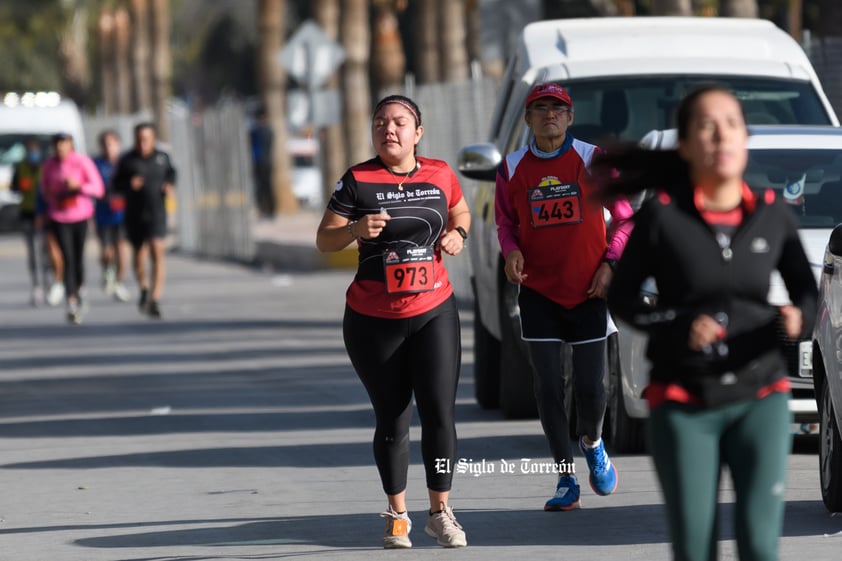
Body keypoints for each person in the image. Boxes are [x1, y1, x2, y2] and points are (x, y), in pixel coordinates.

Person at [599, 85, 818, 561]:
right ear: (686, 145)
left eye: (732, 124)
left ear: (745, 139)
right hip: (683, 400)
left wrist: (799, 312)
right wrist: (677, 323)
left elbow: (805, 286)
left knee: (760, 545)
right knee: (695, 548)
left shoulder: (771, 215)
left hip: (760, 396)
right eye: (706, 125)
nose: (721, 135)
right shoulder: (662, 217)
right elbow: (622, 299)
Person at [316, 94, 471, 549]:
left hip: (433, 311)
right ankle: (397, 514)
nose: (389, 129)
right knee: (393, 419)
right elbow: (324, 240)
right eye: (381, 122)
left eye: (399, 122)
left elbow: (459, 210)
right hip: (372, 319)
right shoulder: (357, 180)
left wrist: (458, 234)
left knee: (440, 413)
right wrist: (353, 232)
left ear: (417, 132)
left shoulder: (440, 174)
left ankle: (441, 512)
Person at [494, 82, 633, 511]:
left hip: (589, 291)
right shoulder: (512, 167)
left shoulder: (593, 160)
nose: (549, 114)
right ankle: (564, 478)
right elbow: (505, 223)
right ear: (528, 119)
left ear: (570, 117)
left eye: (558, 108)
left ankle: (592, 442)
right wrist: (512, 251)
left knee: (592, 388)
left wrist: (610, 264)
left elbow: (626, 220)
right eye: (540, 109)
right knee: (548, 386)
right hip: (538, 293)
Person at [113, 122, 176, 319]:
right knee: (139, 254)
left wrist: (169, 185)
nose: (142, 143)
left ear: (153, 139)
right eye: (139, 139)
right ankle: (143, 288)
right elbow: (115, 185)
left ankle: (155, 299)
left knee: (157, 250)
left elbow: (172, 173)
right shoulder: (127, 160)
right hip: (134, 215)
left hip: (157, 213)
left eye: (146, 139)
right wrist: (129, 185)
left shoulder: (162, 157)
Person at [40, 133, 105, 324]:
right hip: (59, 216)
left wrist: (79, 186)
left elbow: (98, 189)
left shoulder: (82, 162)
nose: (60, 149)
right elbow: (43, 189)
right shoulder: (49, 165)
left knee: (77, 257)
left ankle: (80, 287)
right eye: (57, 145)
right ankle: (71, 301)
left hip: (80, 216)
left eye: (64, 145)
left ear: (71, 146)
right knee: (66, 257)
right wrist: (49, 192)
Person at [93, 130, 131, 303]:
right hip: (104, 214)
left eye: (111, 144)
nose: (108, 148)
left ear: (118, 144)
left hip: (123, 214)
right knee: (107, 251)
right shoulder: (96, 163)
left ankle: (119, 282)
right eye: (105, 144)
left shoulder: (126, 162)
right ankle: (107, 271)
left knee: (122, 250)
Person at [11, 137, 48, 306]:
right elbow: (13, 188)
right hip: (27, 212)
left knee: (46, 249)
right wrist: (20, 186)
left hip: (44, 212)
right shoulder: (19, 167)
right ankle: (36, 285)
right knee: (32, 250)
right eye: (30, 151)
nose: (33, 154)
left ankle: (49, 281)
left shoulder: (46, 167)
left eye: (35, 151)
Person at [249, 107, 274, 218]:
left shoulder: (257, 131)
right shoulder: (267, 131)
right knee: (265, 187)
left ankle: (266, 210)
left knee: (263, 187)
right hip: (265, 162)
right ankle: (267, 210)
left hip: (261, 162)